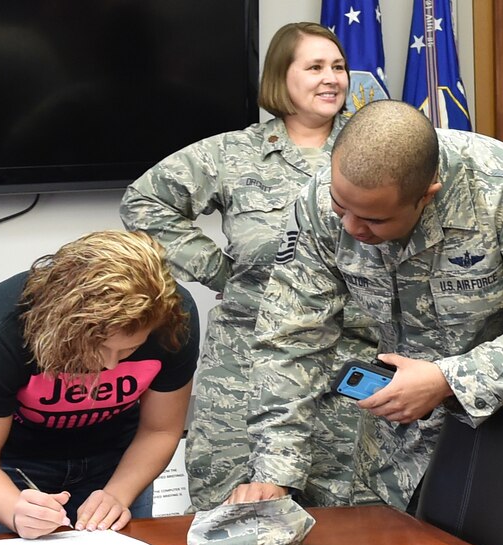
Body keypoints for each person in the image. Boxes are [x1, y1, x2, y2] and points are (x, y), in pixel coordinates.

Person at [225, 99, 503, 506]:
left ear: (427, 195)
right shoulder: (321, 199)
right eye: (341, 208)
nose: (351, 228)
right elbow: (291, 337)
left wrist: (446, 380)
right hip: (392, 452)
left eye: (374, 219)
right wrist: (274, 473)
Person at [120, 22, 381, 510]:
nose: (332, 79)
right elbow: (145, 202)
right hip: (247, 361)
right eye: (316, 67)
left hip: (349, 358)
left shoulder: (372, 149)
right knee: (233, 512)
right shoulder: (232, 153)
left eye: (339, 67)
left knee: (353, 521)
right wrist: (220, 271)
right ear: (281, 78)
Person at [0, 230, 200, 539]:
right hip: (11, 469)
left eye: (129, 350)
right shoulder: (3, 327)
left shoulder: (172, 320)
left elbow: (159, 430)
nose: (110, 365)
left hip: (119, 462)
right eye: (99, 347)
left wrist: (117, 495)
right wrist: (14, 509)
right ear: (64, 323)